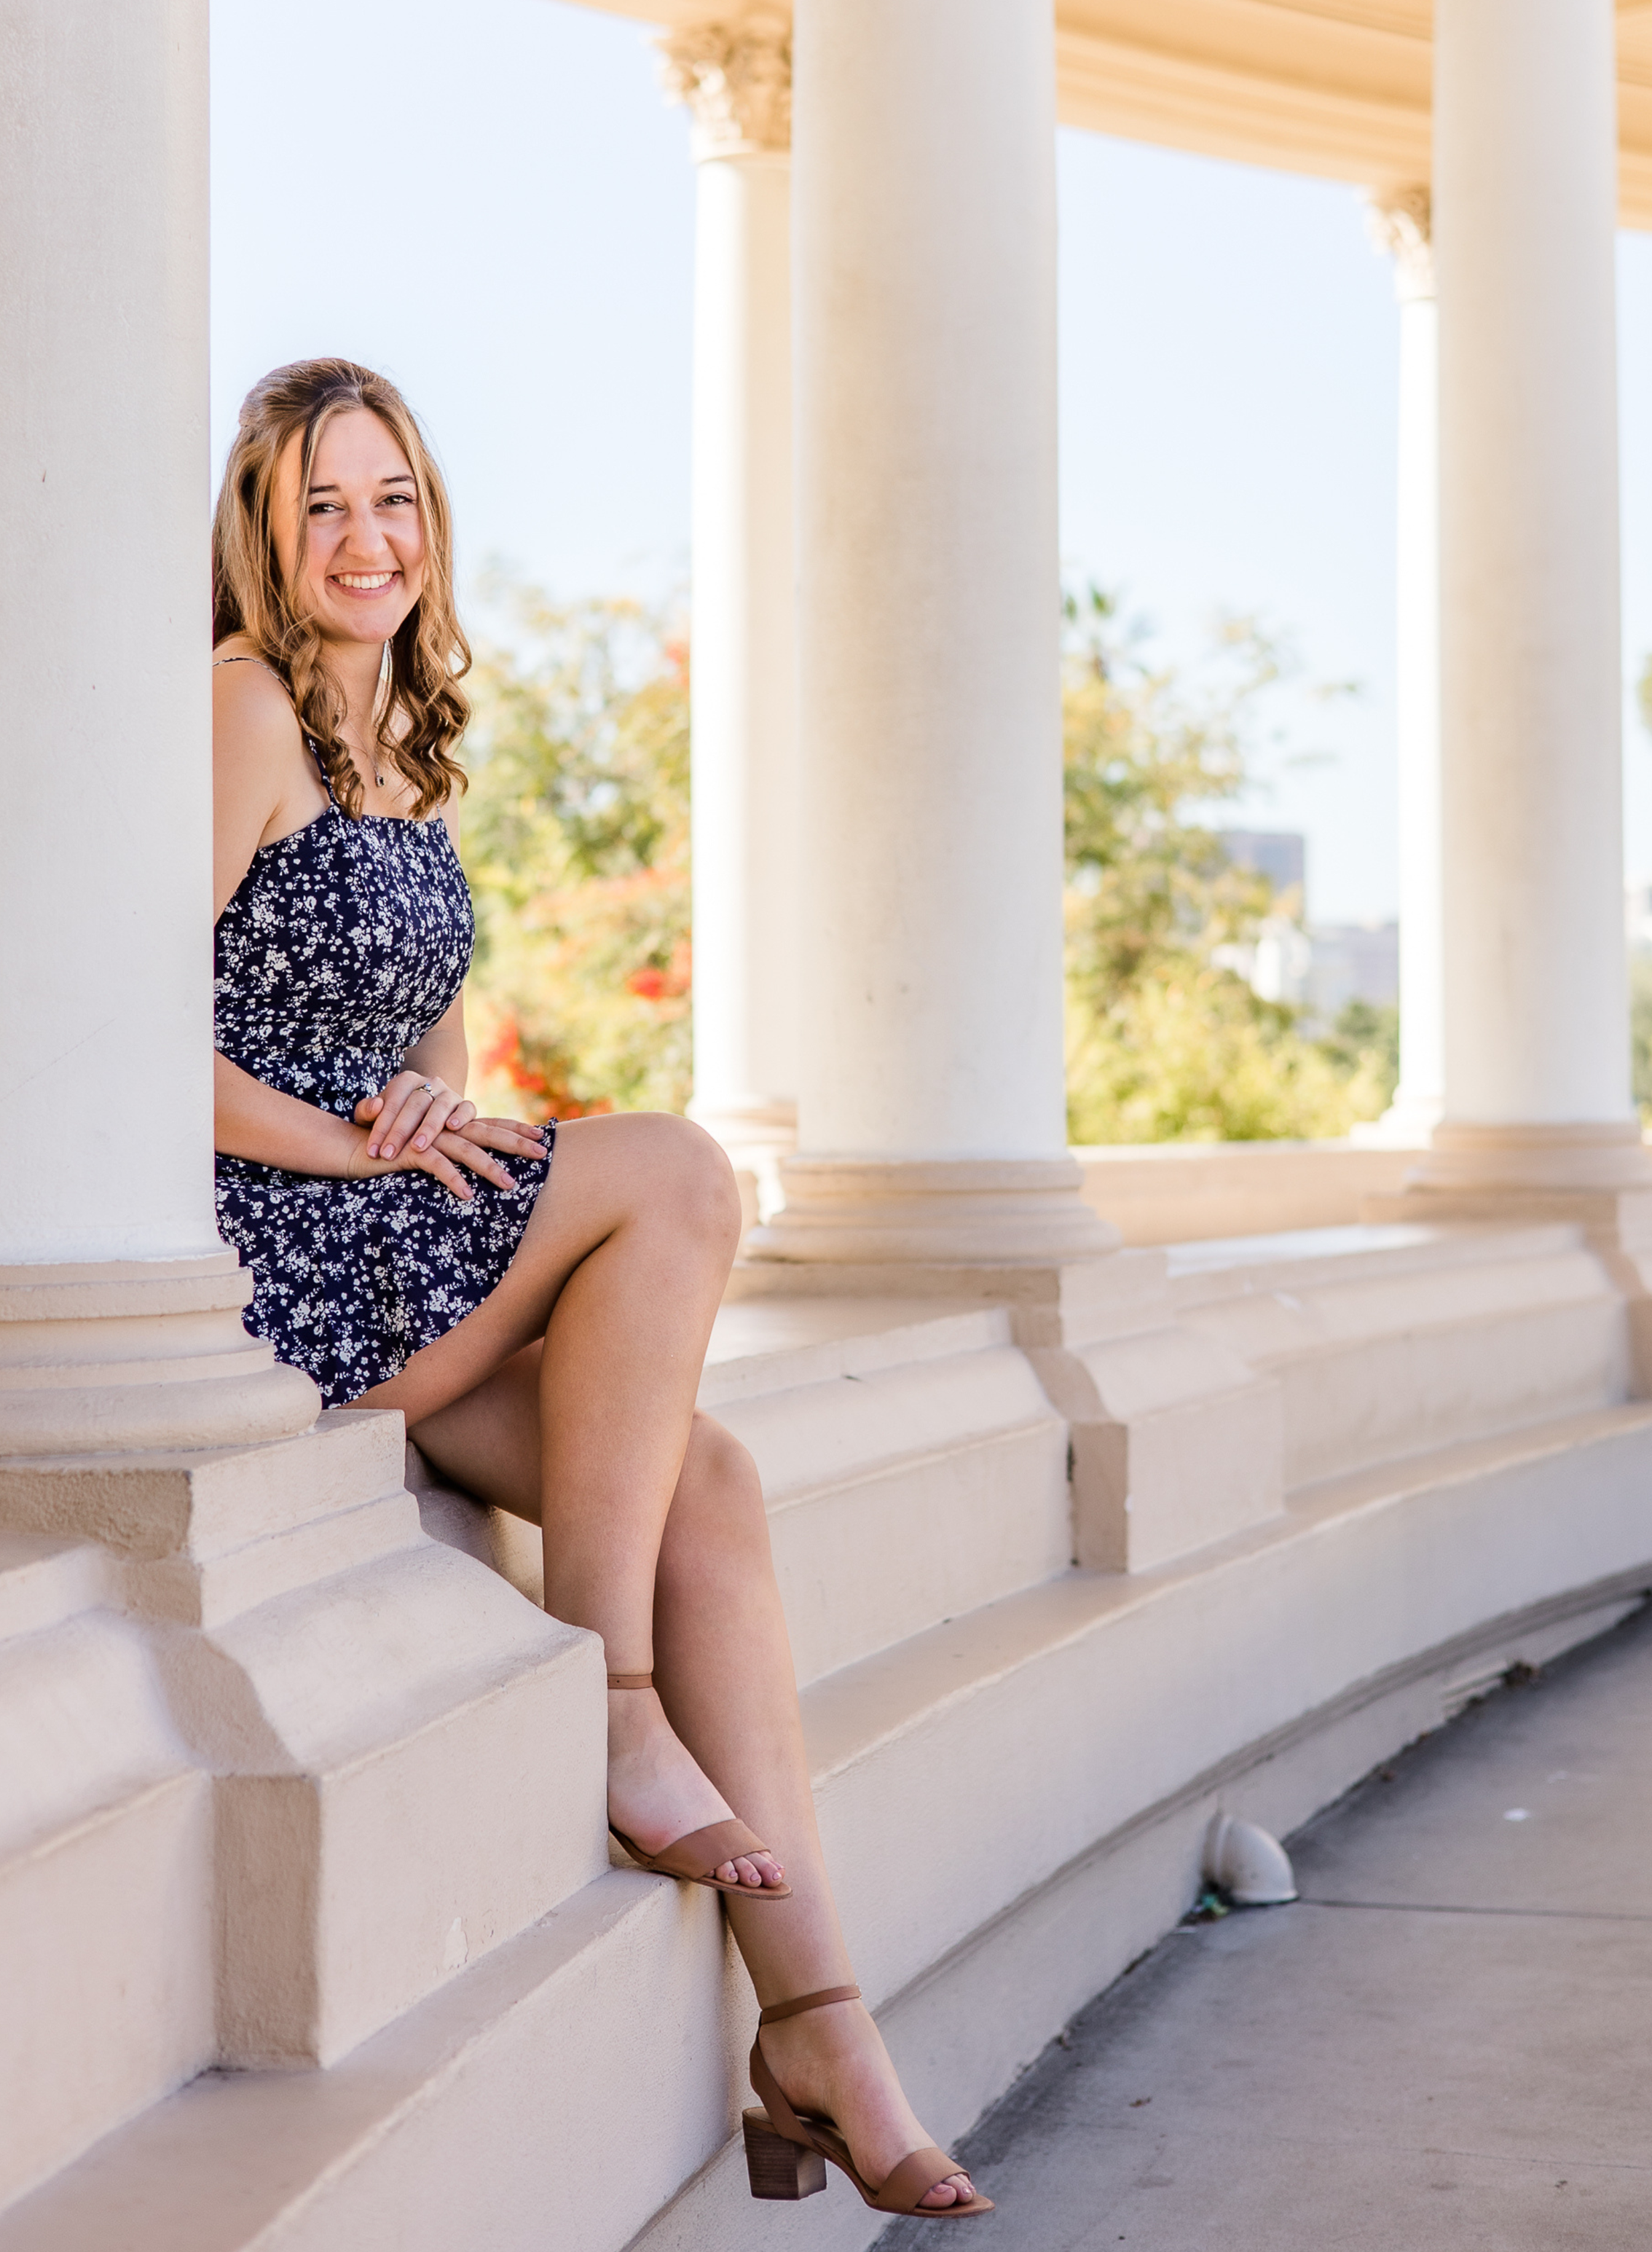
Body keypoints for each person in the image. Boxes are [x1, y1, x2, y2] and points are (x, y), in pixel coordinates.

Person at [211, 356, 989, 2221]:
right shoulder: (238, 706)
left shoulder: (398, 730)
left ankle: (819, 2029)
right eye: (320, 505)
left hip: (378, 1233)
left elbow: (422, 1043)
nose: (363, 538)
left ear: (431, 520)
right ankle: (618, 1691)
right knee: (675, 1167)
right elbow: (114, 1043)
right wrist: (348, 1149)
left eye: (390, 497)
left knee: (706, 1480)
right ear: (261, 530)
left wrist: (424, 1103)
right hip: (279, 1254)